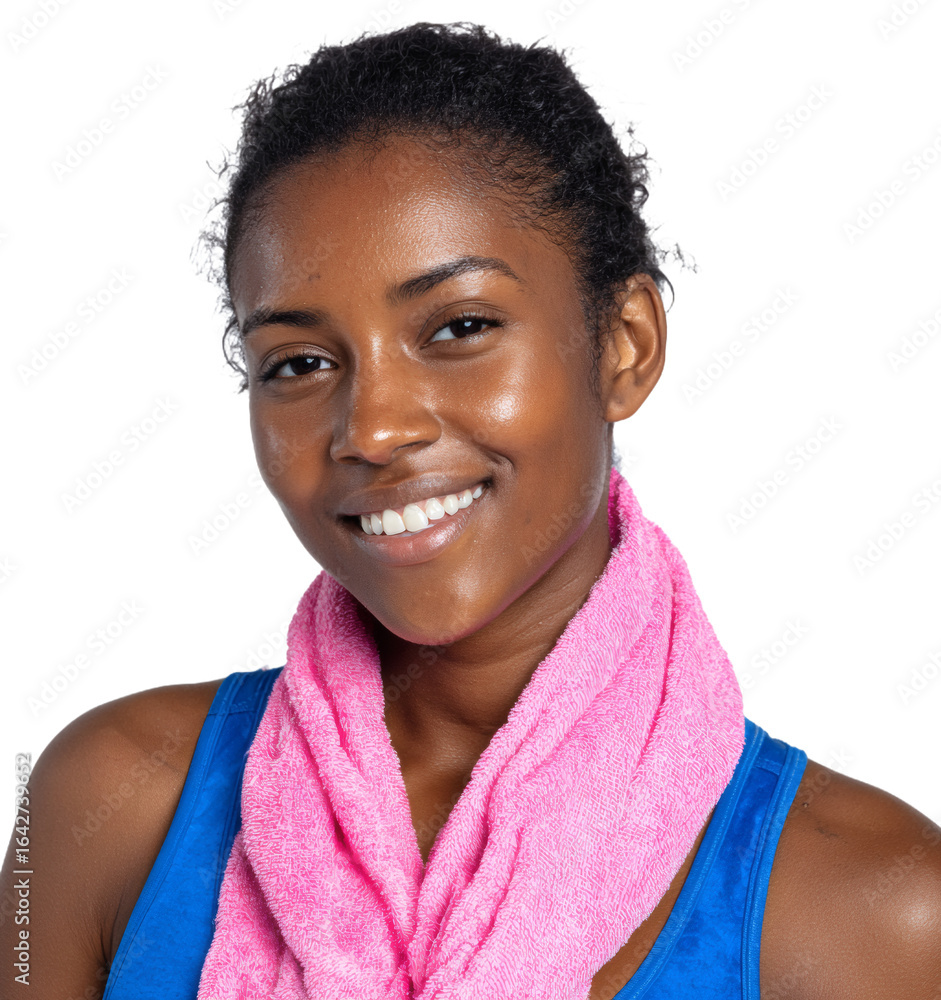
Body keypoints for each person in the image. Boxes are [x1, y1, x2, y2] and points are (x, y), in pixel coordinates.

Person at [2, 21, 939, 1000]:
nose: (373, 428)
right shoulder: (107, 804)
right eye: (299, 362)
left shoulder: (871, 914)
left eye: (458, 328)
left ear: (623, 344)